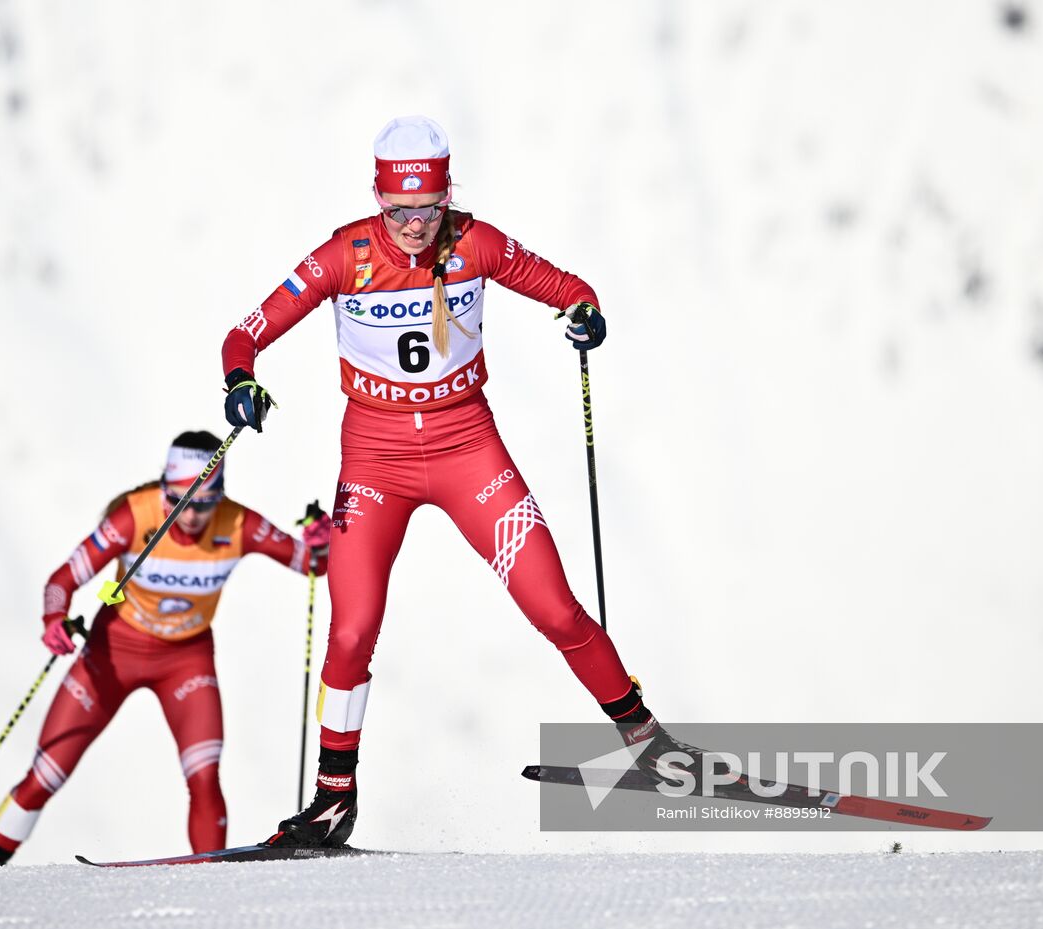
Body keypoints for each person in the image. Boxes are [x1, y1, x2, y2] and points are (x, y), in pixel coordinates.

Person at [220, 116, 703, 849]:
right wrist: (240, 380)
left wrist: (584, 315)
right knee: (351, 632)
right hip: (376, 463)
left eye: (430, 209)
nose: (415, 226)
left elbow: (571, 288)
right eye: (398, 211)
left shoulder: (475, 243)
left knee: (557, 609)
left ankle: (647, 739)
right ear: (378, 199)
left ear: (448, 196)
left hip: (466, 449)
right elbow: (245, 332)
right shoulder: (343, 255)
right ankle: (331, 799)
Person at [0, 430, 331, 866]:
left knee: (204, 777)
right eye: (182, 500)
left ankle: (214, 883)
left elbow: (312, 565)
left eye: (206, 501)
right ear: (165, 488)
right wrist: (54, 621)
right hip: (112, 655)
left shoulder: (238, 523)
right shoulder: (134, 517)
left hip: (185, 659)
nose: (195, 514)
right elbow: (62, 580)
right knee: (45, 775)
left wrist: (321, 542)